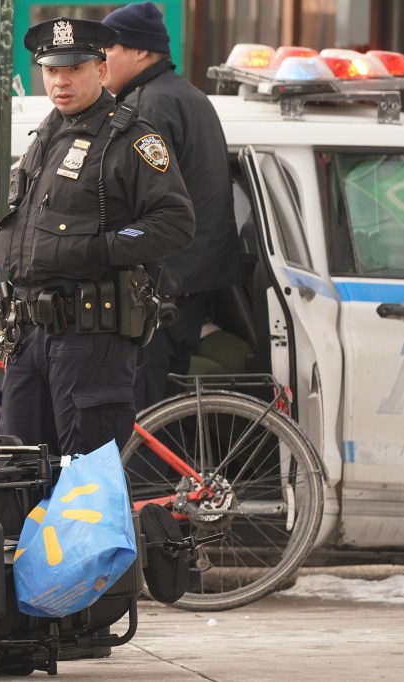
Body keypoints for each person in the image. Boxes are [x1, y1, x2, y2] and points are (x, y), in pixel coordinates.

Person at [0, 16, 195, 459]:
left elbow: (175, 222)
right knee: (16, 476)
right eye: (50, 70)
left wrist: (98, 250)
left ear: (100, 71)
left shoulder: (130, 138)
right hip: (28, 334)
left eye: (74, 69)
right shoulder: (45, 135)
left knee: (86, 482)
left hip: (89, 340)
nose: (60, 81)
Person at [101, 2, 245, 411]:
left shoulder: (149, 106)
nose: (100, 61)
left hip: (161, 281)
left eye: (109, 49)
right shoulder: (189, 96)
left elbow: (137, 200)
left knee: (142, 410)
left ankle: (145, 479)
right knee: (165, 405)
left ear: (142, 52)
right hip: (188, 283)